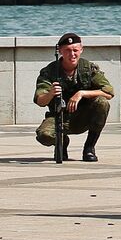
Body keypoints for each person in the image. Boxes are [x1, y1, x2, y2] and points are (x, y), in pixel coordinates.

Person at [34, 33, 114, 162]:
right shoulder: (49, 71)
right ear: (60, 51)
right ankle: (62, 141)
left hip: (83, 117)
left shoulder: (88, 68)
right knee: (44, 136)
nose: (72, 54)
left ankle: (89, 148)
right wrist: (51, 93)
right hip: (59, 117)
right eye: (67, 50)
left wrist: (81, 93)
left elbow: (108, 92)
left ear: (81, 50)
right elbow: (40, 101)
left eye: (75, 50)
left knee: (102, 103)